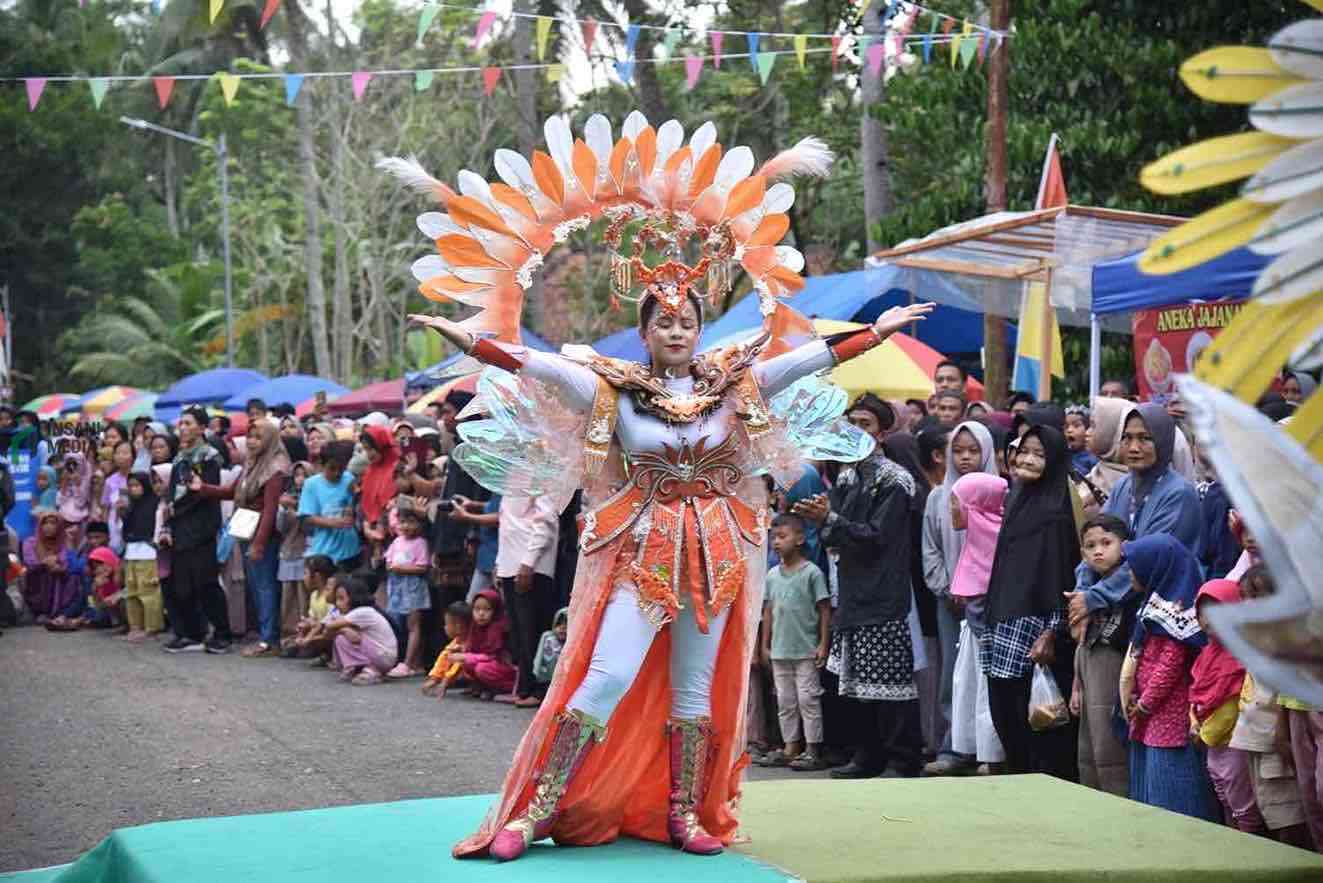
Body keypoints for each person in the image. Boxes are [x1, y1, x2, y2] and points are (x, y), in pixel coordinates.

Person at [402, 113, 934, 862]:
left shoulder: (731, 386)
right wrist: (469, 341)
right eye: (664, 320)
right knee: (606, 674)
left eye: (687, 318)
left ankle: (685, 811)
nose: (678, 328)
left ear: (698, 326)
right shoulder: (613, 392)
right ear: (646, 330)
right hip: (642, 550)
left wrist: (879, 331)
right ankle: (533, 811)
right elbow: (538, 365)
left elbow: (809, 359)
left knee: (694, 691)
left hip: (716, 553)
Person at [795, 394, 924, 780]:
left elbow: (877, 537)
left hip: (883, 593)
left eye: (865, 424)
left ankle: (904, 759)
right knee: (854, 680)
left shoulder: (896, 480)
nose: (855, 431)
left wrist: (829, 517)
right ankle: (867, 756)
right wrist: (820, 517)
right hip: (851, 590)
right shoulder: (848, 475)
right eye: (851, 423)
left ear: (883, 433)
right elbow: (838, 533)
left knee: (890, 682)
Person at [983, 426, 1078, 779]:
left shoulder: (1056, 511)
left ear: (1052, 460)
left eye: (1038, 453)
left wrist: (1053, 630)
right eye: (1024, 450)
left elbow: (1061, 574)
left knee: (1038, 718)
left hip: (1034, 627)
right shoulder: (1018, 498)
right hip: (1003, 619)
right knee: (1005, 712)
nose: (1026, 459)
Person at [1066, 404, 1201, 638]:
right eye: (1127, 438)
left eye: (1145, 438)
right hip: (1113, 612)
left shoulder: (1179, 494)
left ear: (1163, 442)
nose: (1134, 447)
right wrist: (1081, 595)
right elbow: (1095, 540)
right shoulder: (1123, 487)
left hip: (1159, 620)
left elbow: (1146, 563)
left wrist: (1093, 598)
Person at [1122, 534, 1218, 821]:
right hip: (1150, 713)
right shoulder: (1154, 606)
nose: (1129, 573)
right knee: (1151, 775)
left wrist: (1146, 703)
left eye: (1135, 566)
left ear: (1157, 568)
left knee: (1170, 781)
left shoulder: (1178, 614)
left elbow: (1169, 667)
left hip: (1167, 715)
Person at [922, 420, 998, 776]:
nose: (966, 458)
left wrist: (977, 590)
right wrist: (947, 587)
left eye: (973, 450)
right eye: (959, 450)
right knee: (952, 675)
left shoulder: (997, 494)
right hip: (950, 600)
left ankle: (986, 747)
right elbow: (930, 549)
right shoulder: (939, 496)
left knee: (983, 674)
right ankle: (954, 745)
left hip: (988, 602)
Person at [1224, 568, 1309, 847]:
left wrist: (1282, 733)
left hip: (1273, 737)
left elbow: (1286, 693)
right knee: (1267, 804)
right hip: (1254, 736)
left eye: (1260, 596)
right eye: (1246, 597)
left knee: (1287, 807)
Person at [193, 418, 290, 658]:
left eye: (258, 437)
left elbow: (269, 509)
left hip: (263, 532)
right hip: (246, 526)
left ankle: (270, 640)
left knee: (265, 585)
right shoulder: (251, 462)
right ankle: (265, 634)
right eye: (250, 436)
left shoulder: (275, 467)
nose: (252, 441)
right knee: (256, 585)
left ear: (269, 439)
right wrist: (203, 488)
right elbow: (232, 492)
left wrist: (259, 543)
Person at [757, 514, 830, 771]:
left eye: (782, 537)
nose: (776, 543)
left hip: (806, 650)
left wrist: (823, 643)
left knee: (808, 699)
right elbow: (768, 611)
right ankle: (790, 746)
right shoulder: (772, 576)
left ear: (799, 539)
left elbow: (824, 609)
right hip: (780, 650)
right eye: (773, 538)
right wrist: (764, 645)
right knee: (785, 701)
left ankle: (813, 748)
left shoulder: (812, 573)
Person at [1067, 514, 1132, 796]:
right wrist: (1076, 684)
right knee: (1089, 747)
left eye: (1107, 542)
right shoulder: (1086, 589)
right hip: (1089, 674)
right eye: (1091, 545)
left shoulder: (1131, 588)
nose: (1098, 551)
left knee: (1111, 749)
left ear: (1125, 546)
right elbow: (1081, 641)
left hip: (1115, 676)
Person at [163, 407, 233, 654]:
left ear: (202, 428)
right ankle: (192, 633)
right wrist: (169, 518)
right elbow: (172, 492)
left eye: (188, 423)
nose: (182, 428)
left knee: (206, 582)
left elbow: (203, 492)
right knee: (182, 583)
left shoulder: (210, 457)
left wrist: (176, 509)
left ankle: (223, 633)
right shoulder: (180, 457)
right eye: (180, 423)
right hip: (181, 528)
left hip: (201, 527)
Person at [492, 493, 561, 706]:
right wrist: (499, 563)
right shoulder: (511, 483)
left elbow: (546, 522)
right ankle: (524, 688)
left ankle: (539, 690)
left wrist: (528, 562)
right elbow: (506, 524)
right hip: (510, 563)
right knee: (519, 633)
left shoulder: (540, 477)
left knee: (533, 630)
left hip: (531, 566)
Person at [323, 574, 399, 686]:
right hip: (378, 653)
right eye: (337, 599)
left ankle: (373, 670)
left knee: (342, 634)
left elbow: (329, 626)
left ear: (354, 598)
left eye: (341, 599)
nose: (337, 603)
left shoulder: (363, 611)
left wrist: (341, 629)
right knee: (341, 637)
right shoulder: (351, 614)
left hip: (384, 657)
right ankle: (358, 667)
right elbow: (327, 632)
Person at [384, 505, 432, 679]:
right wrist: (393, 567)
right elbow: (388, 561)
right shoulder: (397, 541)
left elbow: (422, 567)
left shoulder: (421, 543)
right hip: (397, 589)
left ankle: (409, 662)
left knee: (414, 625)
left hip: (413, 589)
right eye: (402, 522)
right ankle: (413, 662)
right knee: (400, 624)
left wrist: (402, 569)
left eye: (411, 522)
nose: (406, 526)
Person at [298, 441, 361, 571]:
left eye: (341, 469)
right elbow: (306, 517)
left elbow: (354, 504)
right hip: (325, 549)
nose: (337, 473)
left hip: (349, 548)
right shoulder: (312, 484)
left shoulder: (349, 478)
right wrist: (332, 523)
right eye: (332, 468)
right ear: (322, 465)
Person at [119, 471, 164, 641]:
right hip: (131, 552)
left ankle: (151, 627)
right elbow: (128, 530)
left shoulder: (154, 504)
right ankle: (135, 626)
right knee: (131, 590)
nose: (133, 489)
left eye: (137, 485)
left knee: (149, 591)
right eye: (130, 486)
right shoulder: (132, 506)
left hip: (148, 552)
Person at [22, 509, 81, 625]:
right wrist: (45, 563)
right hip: (36, 578)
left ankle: (61, 611)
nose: (48, 526)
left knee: (73, 575)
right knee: (44, 572)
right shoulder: (30, 542)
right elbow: (30, 561)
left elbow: (68, 562)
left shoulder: (64, 541)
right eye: (45, 523)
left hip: (58, 575)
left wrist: (59, 566)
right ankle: (40, 612)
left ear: (59, 526)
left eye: (53, 523)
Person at [454, 588, 516, 697]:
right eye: (477, 609)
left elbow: (491, 656)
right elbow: (472, 650)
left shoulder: (498, 627)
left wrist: (466, 656)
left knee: (481, 668)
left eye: (487, 609)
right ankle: (482, 686)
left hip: (504, 666)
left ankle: (508, 688)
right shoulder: (475, 627)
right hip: (488, 663)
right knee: (466, 663)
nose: (481, 613)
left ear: (495, 610)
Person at [277, 463, 310, 638]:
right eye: (297, 475)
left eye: (304, 475)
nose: (300, 479)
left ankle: (303, 635)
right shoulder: (286, 498)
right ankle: (288, 635)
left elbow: (311, 527)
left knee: (304, 595)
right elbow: (280, 528)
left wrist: (299, 512)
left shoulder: (313, 498)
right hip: (289, 551)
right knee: (287, 596)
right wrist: (283, 509)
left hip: (307, 551)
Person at [423, 601, 473, 699]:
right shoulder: (455, 642)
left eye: (447, 624)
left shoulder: (469, 643)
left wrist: (445, 682)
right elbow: (443, 659)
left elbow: (458, 666)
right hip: (461, 676)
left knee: (462, 661)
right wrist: (435, 678)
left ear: (458, 626)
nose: (444, 627)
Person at [534, 607, 570, 689]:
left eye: (566, 624)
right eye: (559, 624)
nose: (562, 627)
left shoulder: (576, 643)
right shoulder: (549, 638)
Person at [1064, 405, 1097, 476]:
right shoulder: (1061, 454)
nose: (1069, 430)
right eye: (1066, 426)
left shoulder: (1093, 460)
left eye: (1076, 426)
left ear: (1088, 430)